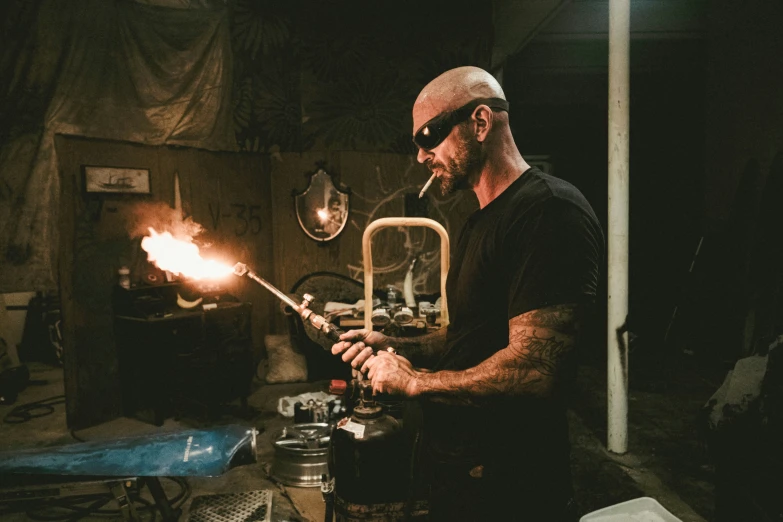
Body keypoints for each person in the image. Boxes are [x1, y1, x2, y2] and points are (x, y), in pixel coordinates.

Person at [331, 66, 604, 521]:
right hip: (461, 469)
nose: (421, 156)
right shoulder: (479, 222)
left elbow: (535, 370)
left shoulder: (549, 213)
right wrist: (401, 347)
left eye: (429, 136)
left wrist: (415, 381)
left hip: (511, 484)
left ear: (480, 123)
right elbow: (474, 335)